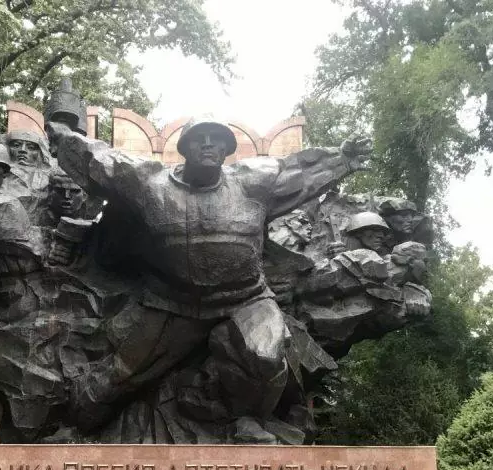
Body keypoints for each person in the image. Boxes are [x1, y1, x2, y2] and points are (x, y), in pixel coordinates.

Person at [47, 116, 371, 429]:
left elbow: (298, 169)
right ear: (184, 148)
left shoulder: (254, 183)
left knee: (267, 358)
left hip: (246, 300)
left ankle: (241, 422)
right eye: (199, 139)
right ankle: (63, 433)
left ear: (227, 150)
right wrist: (64, 138)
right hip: (171, 302)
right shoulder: (149, 183)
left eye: (216, 140)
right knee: (117, 378)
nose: (207, 145)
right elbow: (101, 160)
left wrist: (342, 159)